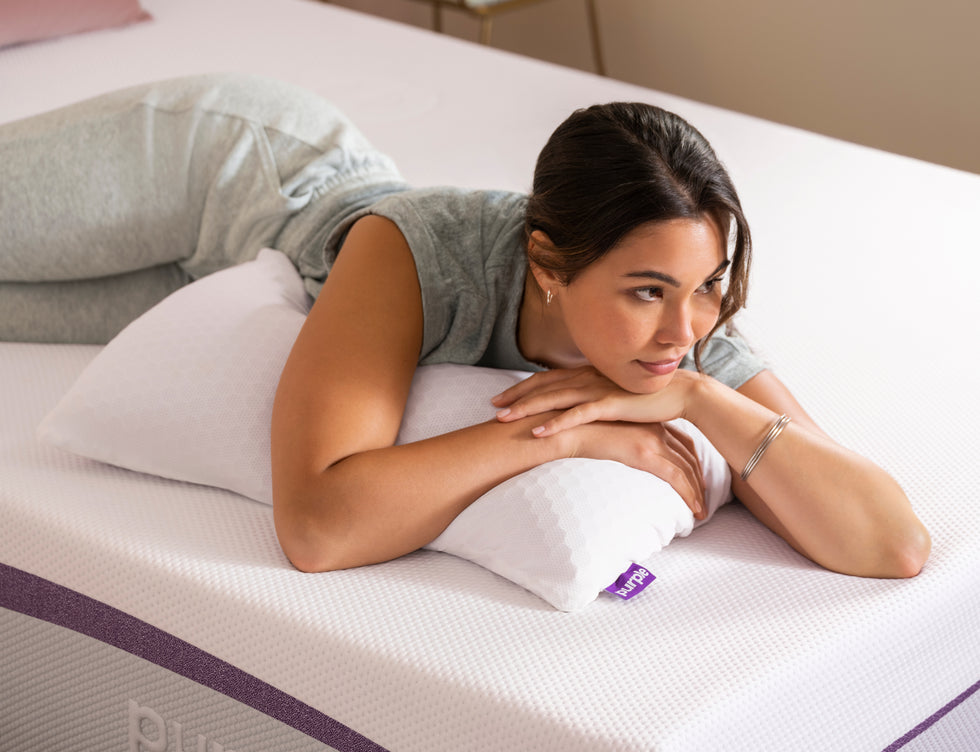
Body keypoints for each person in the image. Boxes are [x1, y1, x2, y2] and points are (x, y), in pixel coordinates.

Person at [0, 74, 930, 579]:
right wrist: (566, 433)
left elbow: (892, 545)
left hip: (201, 278)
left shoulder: (687, 338)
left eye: (710, 285)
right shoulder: (417, 251)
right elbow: (318, 528)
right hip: (225, 172)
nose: (684, 324)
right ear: (547, 265)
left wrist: (694, 398)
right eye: (647, 292)